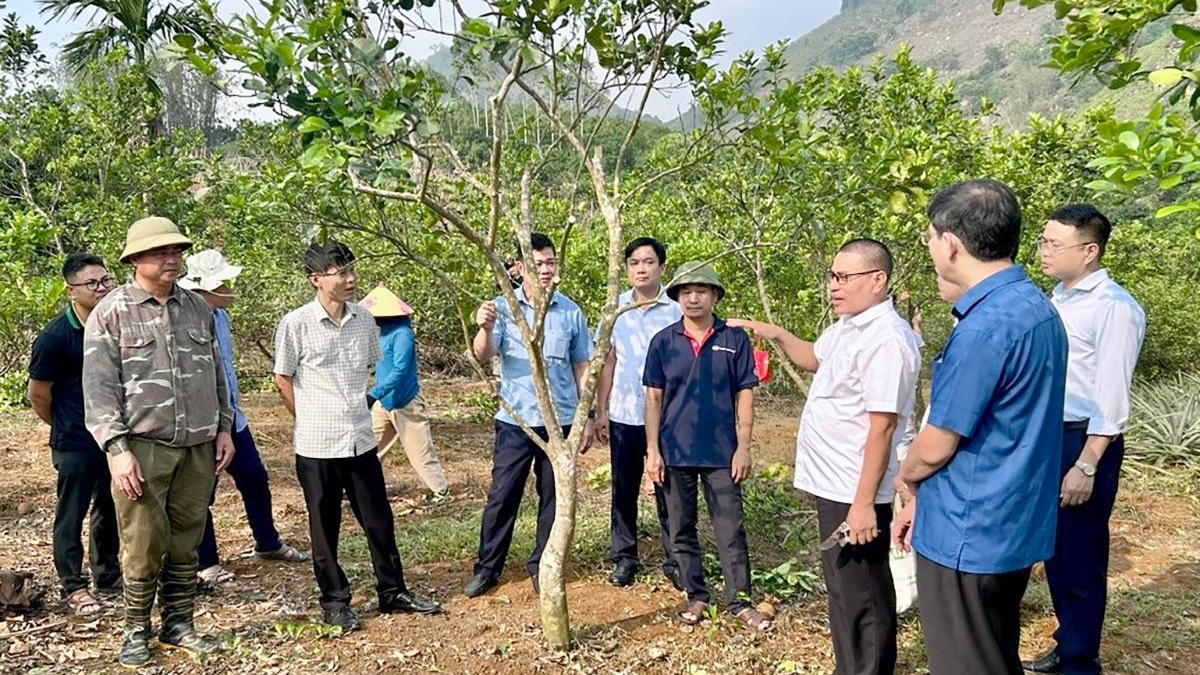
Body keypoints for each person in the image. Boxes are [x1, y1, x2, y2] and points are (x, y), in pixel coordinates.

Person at [892, 179, 1068, 675]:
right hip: (1012, 522)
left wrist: (907, 478)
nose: (930, 247)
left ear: (950, 242)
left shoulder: (985, 327)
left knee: (965, 662)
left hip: (968, 533)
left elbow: (936, 444)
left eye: (929, 236)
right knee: (993, 654)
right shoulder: (1037, 309)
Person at [731, 239, 922, 674]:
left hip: (857, 486)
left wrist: (863, 503)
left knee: (864, 593)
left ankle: (868, 668)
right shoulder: (847, 327)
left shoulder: (887, 339)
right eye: (832, 277)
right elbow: (816, 358)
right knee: (843, 587)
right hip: (834, 481)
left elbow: (884, 426)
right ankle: (850, 666)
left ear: (878, 280)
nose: (834, 286)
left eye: (844, 277)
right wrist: (776, 333)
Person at [83, 217, 236, 667]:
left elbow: (218, 374)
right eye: (159, 253)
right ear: (134, 260)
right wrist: (117, 450)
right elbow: (99, 388)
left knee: (188, 538)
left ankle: (179, 622)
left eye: (176, 251)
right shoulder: (112, 312)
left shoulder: (198, 308)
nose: (171, 259)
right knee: (143, 541)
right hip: (142, 447)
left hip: (198, 445)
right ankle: (135, 630)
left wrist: (224, 427)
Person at [273, 239, 441, 632]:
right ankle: (334, 601)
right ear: (315, 279)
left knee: (379, 520)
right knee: (324, 526)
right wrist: (309, 416)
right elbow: (283, 379)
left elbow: (370, 370)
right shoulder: (295, 324)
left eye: (352, 270)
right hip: (317, 444)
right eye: (341, 273)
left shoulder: (365, 321)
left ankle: (393, 591)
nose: (351, 279)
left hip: (360, 439)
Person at [1022, 205, 1145, 675]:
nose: (1045, 251)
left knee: (1080, 555)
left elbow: (1111, 398)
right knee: (1056, 552)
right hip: (1051, 436)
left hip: (1084, 442)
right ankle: (1069, 642)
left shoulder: (1114, 307)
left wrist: (1087, 464)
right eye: (1043, 241)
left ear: (1090, 251)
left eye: (1055, 243)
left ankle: (1080, 661)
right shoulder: (1059, 298)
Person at [463, 232, 594, 597]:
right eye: (538, 264)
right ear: (520, 268)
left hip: (561, 420)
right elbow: (484, 353)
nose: (546, 269)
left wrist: (588, 415)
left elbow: (581, 364)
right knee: (503, 495)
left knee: (554, 497)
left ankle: (543, 564)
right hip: (516, 421)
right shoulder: (502, 307)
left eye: (551, 262)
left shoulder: (570, 311)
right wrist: (484, 328)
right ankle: (488, 568)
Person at [643, 261, 771, 631]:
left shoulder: (733, 339)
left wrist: (743, 446)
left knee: (730, 528)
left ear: (715, 296)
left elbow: (745, 394)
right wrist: (653, 450)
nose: (693, 297)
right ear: (678, 297)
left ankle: (740, 601)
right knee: (680, 528)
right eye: (686, 292)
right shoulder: (664, 342)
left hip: (721, 452)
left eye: (701, 290)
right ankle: (696, 594)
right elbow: (653, 399)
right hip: (675, 451)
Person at [178, 249, 309, 586]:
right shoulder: (183, 317)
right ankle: (205, 562)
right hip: (200, 422)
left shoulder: (221, 316)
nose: (231, 287)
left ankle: (268, 542)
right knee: (200, 491)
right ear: (206, 286)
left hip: (233, 418)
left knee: (254, 477)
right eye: (224, 282)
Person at [28, 252, 122, 616]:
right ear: (71, 291)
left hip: (112, 434)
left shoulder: (114, 323)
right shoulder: (57, 336)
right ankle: (72, 585)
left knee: (110, 505)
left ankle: (108, 573)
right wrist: (63, 424)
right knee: (73, 511)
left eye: (105, 281)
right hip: (75, 439)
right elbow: (38, 394)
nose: (100, 289)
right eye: (91, 284)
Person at [595, 237, 682, 588]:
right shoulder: (615, 310)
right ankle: (624, 556)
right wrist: (600, 411)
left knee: (670, 487)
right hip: (625, 413)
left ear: (662, 267)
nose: (641, 269)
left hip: (669, 416)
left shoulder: (677, 309)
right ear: (627, 268)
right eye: (634, 263)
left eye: (648, 262)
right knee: (624, 486)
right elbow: (608, 361)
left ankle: (677, 558)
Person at [360, 283, 452, 504]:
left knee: (419, 450)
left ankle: (440, 491)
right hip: (385, 401)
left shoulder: (402, 334)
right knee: (368, 445)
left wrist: (374, 393)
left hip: (405, 401)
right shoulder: (384, 333)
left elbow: (400, 370)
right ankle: (359, 487)